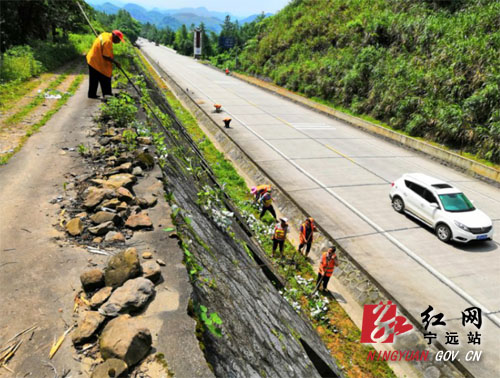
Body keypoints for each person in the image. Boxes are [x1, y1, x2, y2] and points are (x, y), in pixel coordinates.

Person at [86, 30, 124, 99]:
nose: (119, 42)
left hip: (92, 59)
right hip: (96, 61)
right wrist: (116, 63)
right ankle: (107, 95)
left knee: (94, 79)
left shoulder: (105, 34)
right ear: (115, 36)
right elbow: (106, 56)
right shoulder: (108, 41)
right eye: (119, 40)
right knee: (105, 78)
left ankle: (92, 94)